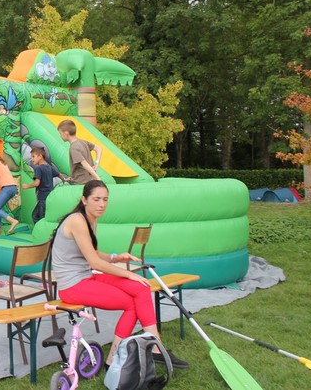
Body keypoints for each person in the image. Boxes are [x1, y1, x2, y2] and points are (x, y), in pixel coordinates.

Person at [51, 180, 189, 369]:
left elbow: (93, 253)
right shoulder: (77, 220)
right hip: (72, 286)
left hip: (87, 277)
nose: (102, 204)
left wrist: (116, 257)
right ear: (84, 200)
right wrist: (127, 273)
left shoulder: (91, 219)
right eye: (96, 199)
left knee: (141, 287)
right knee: (132, 302)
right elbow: (94, 262)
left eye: (105, 199)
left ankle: (155, 347)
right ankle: (117, 357)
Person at [21, 146, 65, 224]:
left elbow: (37, 183)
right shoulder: (49, 167)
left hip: (43, 198)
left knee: (39, 217)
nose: (32, 159)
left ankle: (42, 234)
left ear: (40, 156)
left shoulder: (39, 168)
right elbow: (59, 175)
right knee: (36, 215)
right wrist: (64, 180)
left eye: (33, 156)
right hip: (49, 197)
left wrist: (27, 186)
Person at [58, 119, 102, 184]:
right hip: (90, 180)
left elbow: (84, 163)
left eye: (60, 133)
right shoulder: (83, 142)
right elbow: (99, 148)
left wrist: (98, 178)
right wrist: (96, 164)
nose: (60, 136)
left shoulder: (74, 148)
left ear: (66, 133)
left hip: (81, 183)